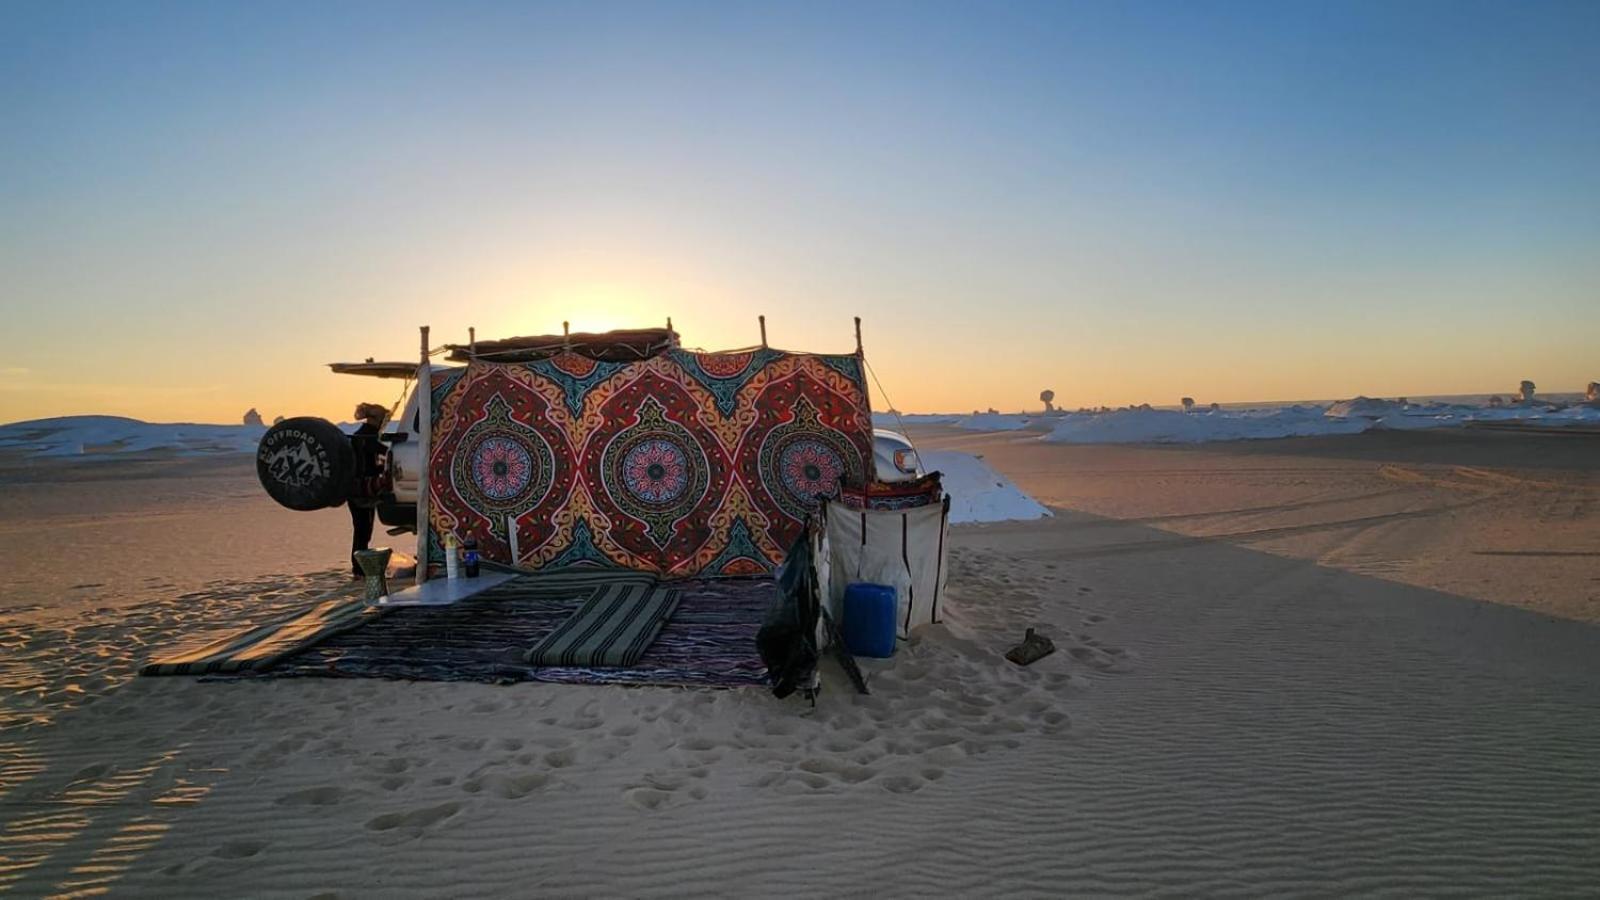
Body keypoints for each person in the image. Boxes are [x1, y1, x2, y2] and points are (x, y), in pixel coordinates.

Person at [348, 402, 387, 576]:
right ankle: (358, 569)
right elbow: (381, 453)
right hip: (361, 490)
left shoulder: (360, 435)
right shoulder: (368, 436)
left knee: (362, 529)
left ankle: (359, 568)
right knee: (363, 529)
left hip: (356, 489)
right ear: (376, 419)